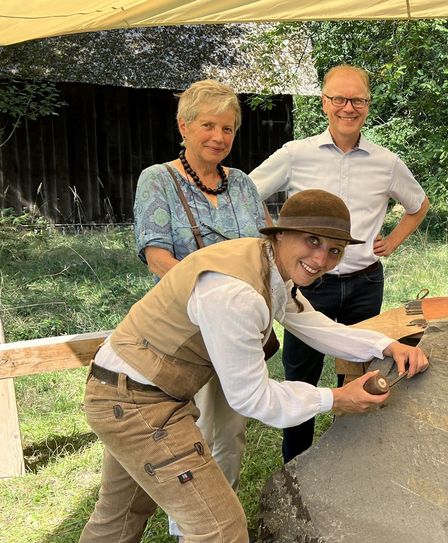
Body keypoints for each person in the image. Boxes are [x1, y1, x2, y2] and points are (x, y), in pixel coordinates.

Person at [79, 189, 429, 543]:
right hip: (136, 402)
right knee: (220, 530)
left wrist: (384, 343)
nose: (321, 259)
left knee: (119, 517)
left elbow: (313, 324)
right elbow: (252, 398)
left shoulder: (267, 264)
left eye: (334, 250)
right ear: (280, 234)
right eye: (312, 240)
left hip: (121, 388)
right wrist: (336, 398)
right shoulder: (236, 294)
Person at [249, 64, 429, 463]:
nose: (348, 108)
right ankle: (296, 469)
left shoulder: (386, 161)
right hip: (310, 284)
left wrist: (393, 241)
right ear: (325, 103)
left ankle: (353, 465)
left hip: (365, 282)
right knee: (302, 378)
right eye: (339, 99)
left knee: (366, 373)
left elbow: (418, 205)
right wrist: (277, 236)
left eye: (358, 100)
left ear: (367, 105)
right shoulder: (296, 154)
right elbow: (246, 192)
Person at [130, 78, 271, 541]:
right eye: (208, 125)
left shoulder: (245, 185)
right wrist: (213, 295)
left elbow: (266, 249)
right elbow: (157, 256)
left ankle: (218, 515)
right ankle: (189, 526)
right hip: (182, 330)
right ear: (184, 126)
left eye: (228, 128)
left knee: (228, 430)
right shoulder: (158, 180)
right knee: (180, 432)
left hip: (237, 332)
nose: (218, 137)